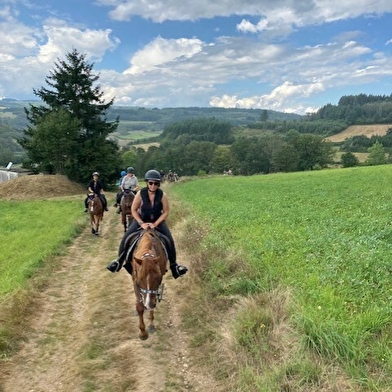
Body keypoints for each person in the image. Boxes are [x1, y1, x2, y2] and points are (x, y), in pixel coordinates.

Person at [107, 169, 188, 279]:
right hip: (141, 220)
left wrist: (156, 223)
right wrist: (141, 223)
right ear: (147, 183)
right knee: (126, 238)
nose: (153, 186)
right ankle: (119, 261)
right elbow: (134, 210)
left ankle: (174, 266)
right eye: (151, 183)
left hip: (157, 221)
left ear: (158, 184)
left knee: (169, 240)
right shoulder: (141, 193)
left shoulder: (162, 195)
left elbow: (166, 212)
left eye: (156, 183)